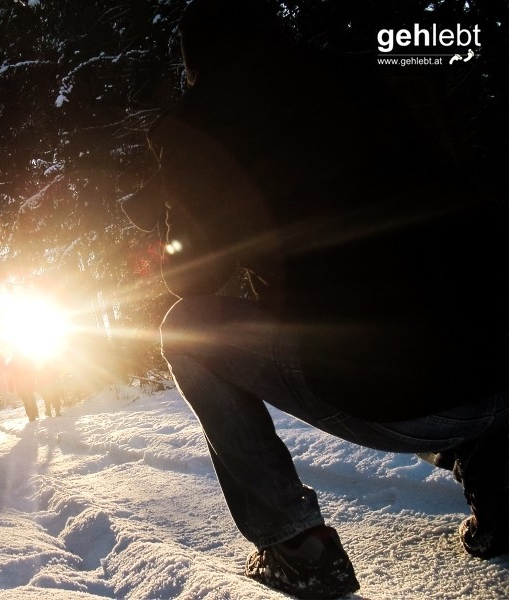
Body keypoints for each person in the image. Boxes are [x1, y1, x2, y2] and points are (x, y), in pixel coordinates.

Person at [122, 1, 509, 598]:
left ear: (195, 63)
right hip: (498, 372)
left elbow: (192, 277)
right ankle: (501, 490)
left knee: (186, 329)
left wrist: (169, 224)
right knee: (439, 305)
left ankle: (297, 547)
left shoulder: (201, 125)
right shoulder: (352, 76)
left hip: (405, 399)